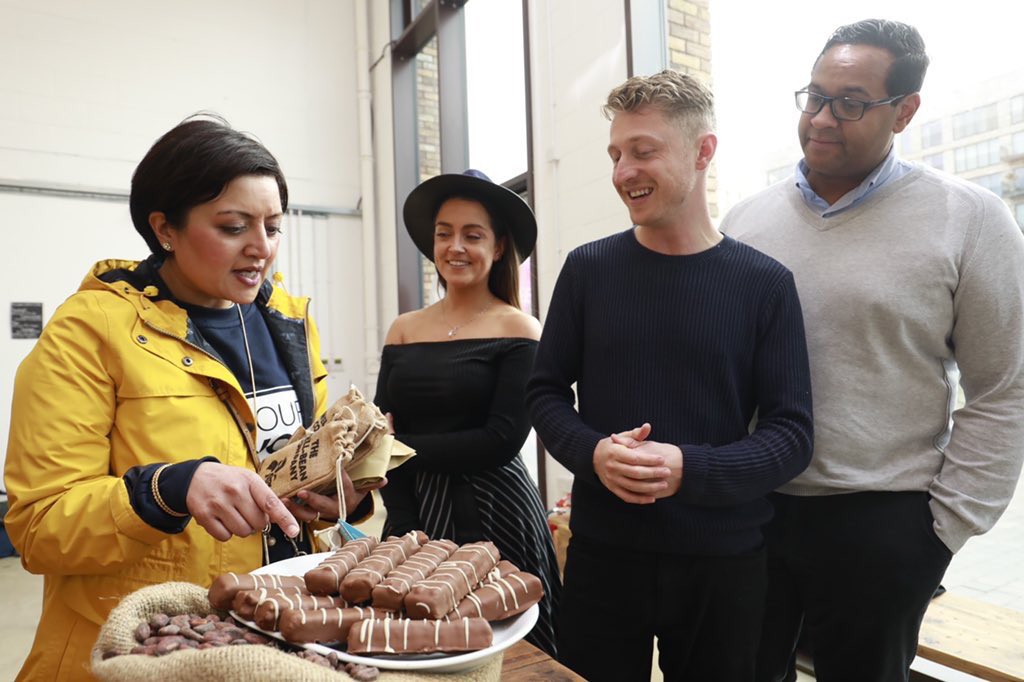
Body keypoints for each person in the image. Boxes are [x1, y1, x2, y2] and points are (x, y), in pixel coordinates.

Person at [3, 114, 376, 681]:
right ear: (164, 228)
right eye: (233, 227)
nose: (261, 248)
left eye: (273, 227)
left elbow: (295, 458)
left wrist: (333, 492)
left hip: (272, 634)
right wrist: (167, 489)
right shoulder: (91, 332)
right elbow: (39, 528)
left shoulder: (288, 324)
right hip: (143, 647)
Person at [721, 19, 1024, 682]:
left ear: (905, 111)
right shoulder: (745, 221)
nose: (823, 119)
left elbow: (1004, 388)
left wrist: (940, 531)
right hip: (752, 509)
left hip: (882, 523)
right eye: (815, 96)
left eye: (851, 103)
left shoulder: (969, 217)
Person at [525, 70, 814, 681]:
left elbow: (792, 434)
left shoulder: (764, 284)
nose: (622, 171)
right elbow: (545, 391)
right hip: (605, 552)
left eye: (643, 151)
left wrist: (690, 468)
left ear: (703, 151)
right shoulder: (588, 271)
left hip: (724, 560)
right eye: (616, 154)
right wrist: (593, 452)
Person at [374, 169, 561, 657]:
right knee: (412, 647)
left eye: (472, 235)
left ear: (499, 248)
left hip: (496, 511)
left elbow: (500, 439)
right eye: (444, 233)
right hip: (412, 506)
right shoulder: (404, 329)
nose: (455, 246)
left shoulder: (519, 328)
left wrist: (397, 453)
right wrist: (400, 509)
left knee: (508, 653)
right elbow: (381, 431)